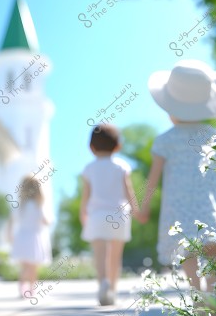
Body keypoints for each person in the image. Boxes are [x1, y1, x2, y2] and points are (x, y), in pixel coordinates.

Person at [140, 59, 216, 293]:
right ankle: (211, 290)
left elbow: (152, 180)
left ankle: (197, 292)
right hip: (209, 204)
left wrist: (143, 206)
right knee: (213, 246)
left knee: (187, 250)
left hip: (178, 208)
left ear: (171, 108)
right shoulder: (214, 136)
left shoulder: (164, 140)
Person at [80, 124, 147, 306]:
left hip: (97, 215)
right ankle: (113, 292)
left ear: (91, 147)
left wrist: (83, 213)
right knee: (115, 257)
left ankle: (103, 282)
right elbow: (129, 191)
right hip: (119, 215)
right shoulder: (122, 166)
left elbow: (86, 194)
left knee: (100, 255)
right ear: (118, 146)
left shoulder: (89, 168)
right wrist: (137, 211)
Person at [7, 176, 52, 298]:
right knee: (33, 267)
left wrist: (10, 235)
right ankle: (31, 289)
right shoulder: (38, 206)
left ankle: (22, 287)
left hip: (22, 238)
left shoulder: (20, 206)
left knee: (24, 267)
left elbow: (11, 221)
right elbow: (46, 221)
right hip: (34, 239)